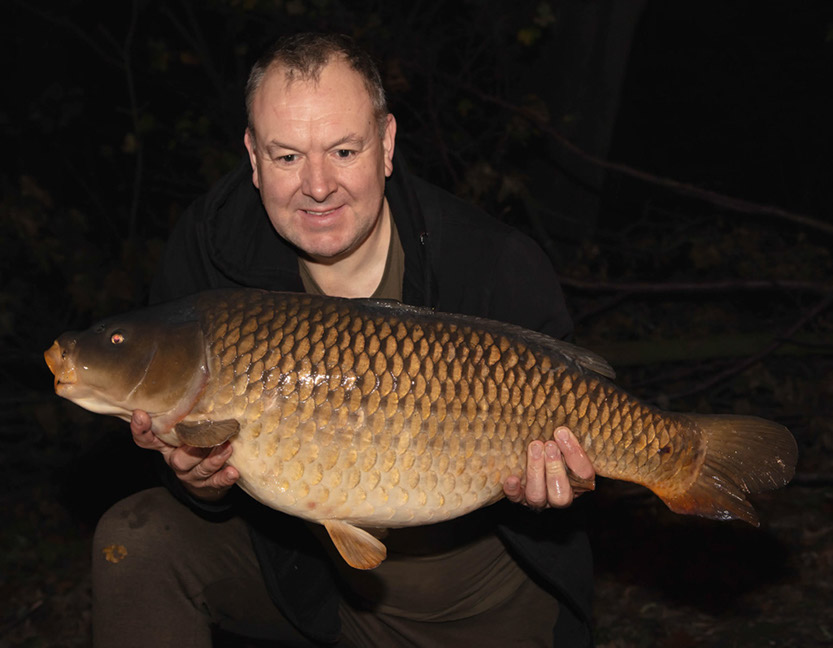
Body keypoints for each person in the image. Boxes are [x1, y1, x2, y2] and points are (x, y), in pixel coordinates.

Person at [92, 32, 596, 647]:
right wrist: (197, 478)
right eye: (286, 157)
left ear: (386, 145)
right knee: (137, 540)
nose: (319, 185)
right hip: (309, 578)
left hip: (481, 603)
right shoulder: (211, 256)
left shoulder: (491, 264)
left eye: (344, 151)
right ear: (252, 157)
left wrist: (553, 487)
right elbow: (198, 466)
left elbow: (571, 452)